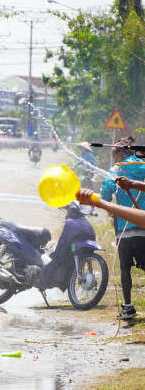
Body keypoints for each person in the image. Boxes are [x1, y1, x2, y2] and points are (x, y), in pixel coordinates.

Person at [100, 137, 145, 320]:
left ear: (120, 153)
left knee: (125, 268)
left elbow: (105, 191)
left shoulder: (116, 169)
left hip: (124, 228)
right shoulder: (143, 166)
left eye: (114, 154)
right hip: (143, 226)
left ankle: (127, 307)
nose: (113, 158)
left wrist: (110, 207)